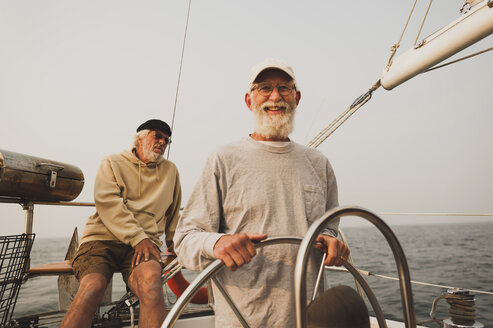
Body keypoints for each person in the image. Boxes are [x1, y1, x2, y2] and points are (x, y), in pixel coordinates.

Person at [173, 59, 351, 327]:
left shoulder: (319, 163)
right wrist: (218, 243)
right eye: (264, 88)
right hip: (244, 318)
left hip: (308, 316)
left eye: (284, 88)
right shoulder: (223, 159)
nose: (275, 97)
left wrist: (329, 239)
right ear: (249, 100)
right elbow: (186, 240)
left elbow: (330, 226)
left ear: (296, 98)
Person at [60, 119, 182, 328]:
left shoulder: (171, 171)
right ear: (140, 138)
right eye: (157, 136)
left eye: (166, 140)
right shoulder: (112, 162)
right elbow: (108, 203)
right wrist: (138, 237)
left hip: (144, 246)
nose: (163, 142)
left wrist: (176, 246)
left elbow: (173, 214)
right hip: (101, 239)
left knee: (152, 285)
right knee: (93, 287)